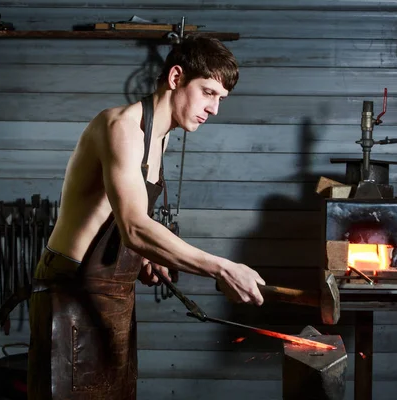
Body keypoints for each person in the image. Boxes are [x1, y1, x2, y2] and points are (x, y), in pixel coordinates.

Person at [27, 35, 266, 399]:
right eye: (207, 92)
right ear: (175, 78)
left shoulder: (161, 136)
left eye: (221, 99)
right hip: (73, 293)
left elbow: (125, 221)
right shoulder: (121, 127)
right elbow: (135, 226)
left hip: (116, 296)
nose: (214, 109)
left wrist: (143, 259)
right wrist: (222, 267)